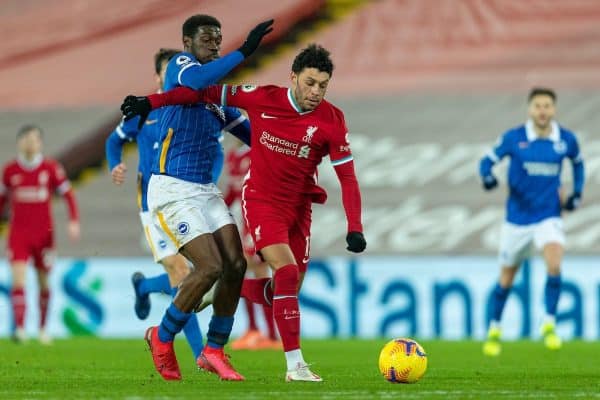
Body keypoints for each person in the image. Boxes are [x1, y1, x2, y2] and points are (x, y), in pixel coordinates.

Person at [121, 43, 367, 382]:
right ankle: (295, 365)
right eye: (310, 82)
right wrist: (151, 101)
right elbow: (199, 92)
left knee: (284, 288)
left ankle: (215, 296)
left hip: (300, 206)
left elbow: (348, 176)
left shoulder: (333, 119)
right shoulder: (262, 97)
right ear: (293, 77)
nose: (315, 92)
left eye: (323, 85)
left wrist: (355, 226)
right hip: (262, 200)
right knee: (283, 268)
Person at [121, 15, 272, 381]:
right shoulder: (181, 66)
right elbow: (198, 80)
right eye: (207, 38)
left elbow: (254, 137)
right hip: (172, 188)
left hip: (204, 190)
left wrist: (289, 148)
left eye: (219, 39)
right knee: (209, 267)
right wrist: (245, 50)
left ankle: (214, 350)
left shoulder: (217, 100)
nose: (214, 44)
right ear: (187, 42)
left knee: (235, 264)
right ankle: (162, 335)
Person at [106, 47, 228, 363]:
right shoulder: (145, 109)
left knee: (187, 272)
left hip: (185, 198)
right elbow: (114, 139)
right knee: (182, 271)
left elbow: (216, 150)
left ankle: (145, 287)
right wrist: (115, 163)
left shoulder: (195, 106)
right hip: (151, 202)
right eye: (167, 69)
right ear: (159, 74)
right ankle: (200, 352)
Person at [478, 87, 585, 356]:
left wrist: (577, 193)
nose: (542, 111)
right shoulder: (514, 138)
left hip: (548, 215)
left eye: (547, 105)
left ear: (554, 109)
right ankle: (494, 330)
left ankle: (549, 323)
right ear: (530, 109)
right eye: (538, 105)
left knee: (555, 262)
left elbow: (578, 163)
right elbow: (486, 162)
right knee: (506, 279)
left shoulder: (566, 140)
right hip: (517, 220)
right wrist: (488, 178)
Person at [0, 125, 80, 344]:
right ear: (19, 143)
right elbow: (2, 201)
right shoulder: (10, 171)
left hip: (44, 235)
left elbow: (68, 194)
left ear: (40, 143)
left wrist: (73, 220)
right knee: (18, 281)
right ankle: (20, 330)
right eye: (26, 139)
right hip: (18, 234)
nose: (30, 143)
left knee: (43, 282)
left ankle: (43, 329)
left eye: (34, 139)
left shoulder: (50, 168)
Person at [223, 139, 281, 351]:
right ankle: (254, 330)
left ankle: (271, 335)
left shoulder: (257, 152)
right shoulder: (232, 156)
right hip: (240, 221)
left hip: (255, 218)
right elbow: (232, 192)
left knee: (259, 271)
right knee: (244, 271)